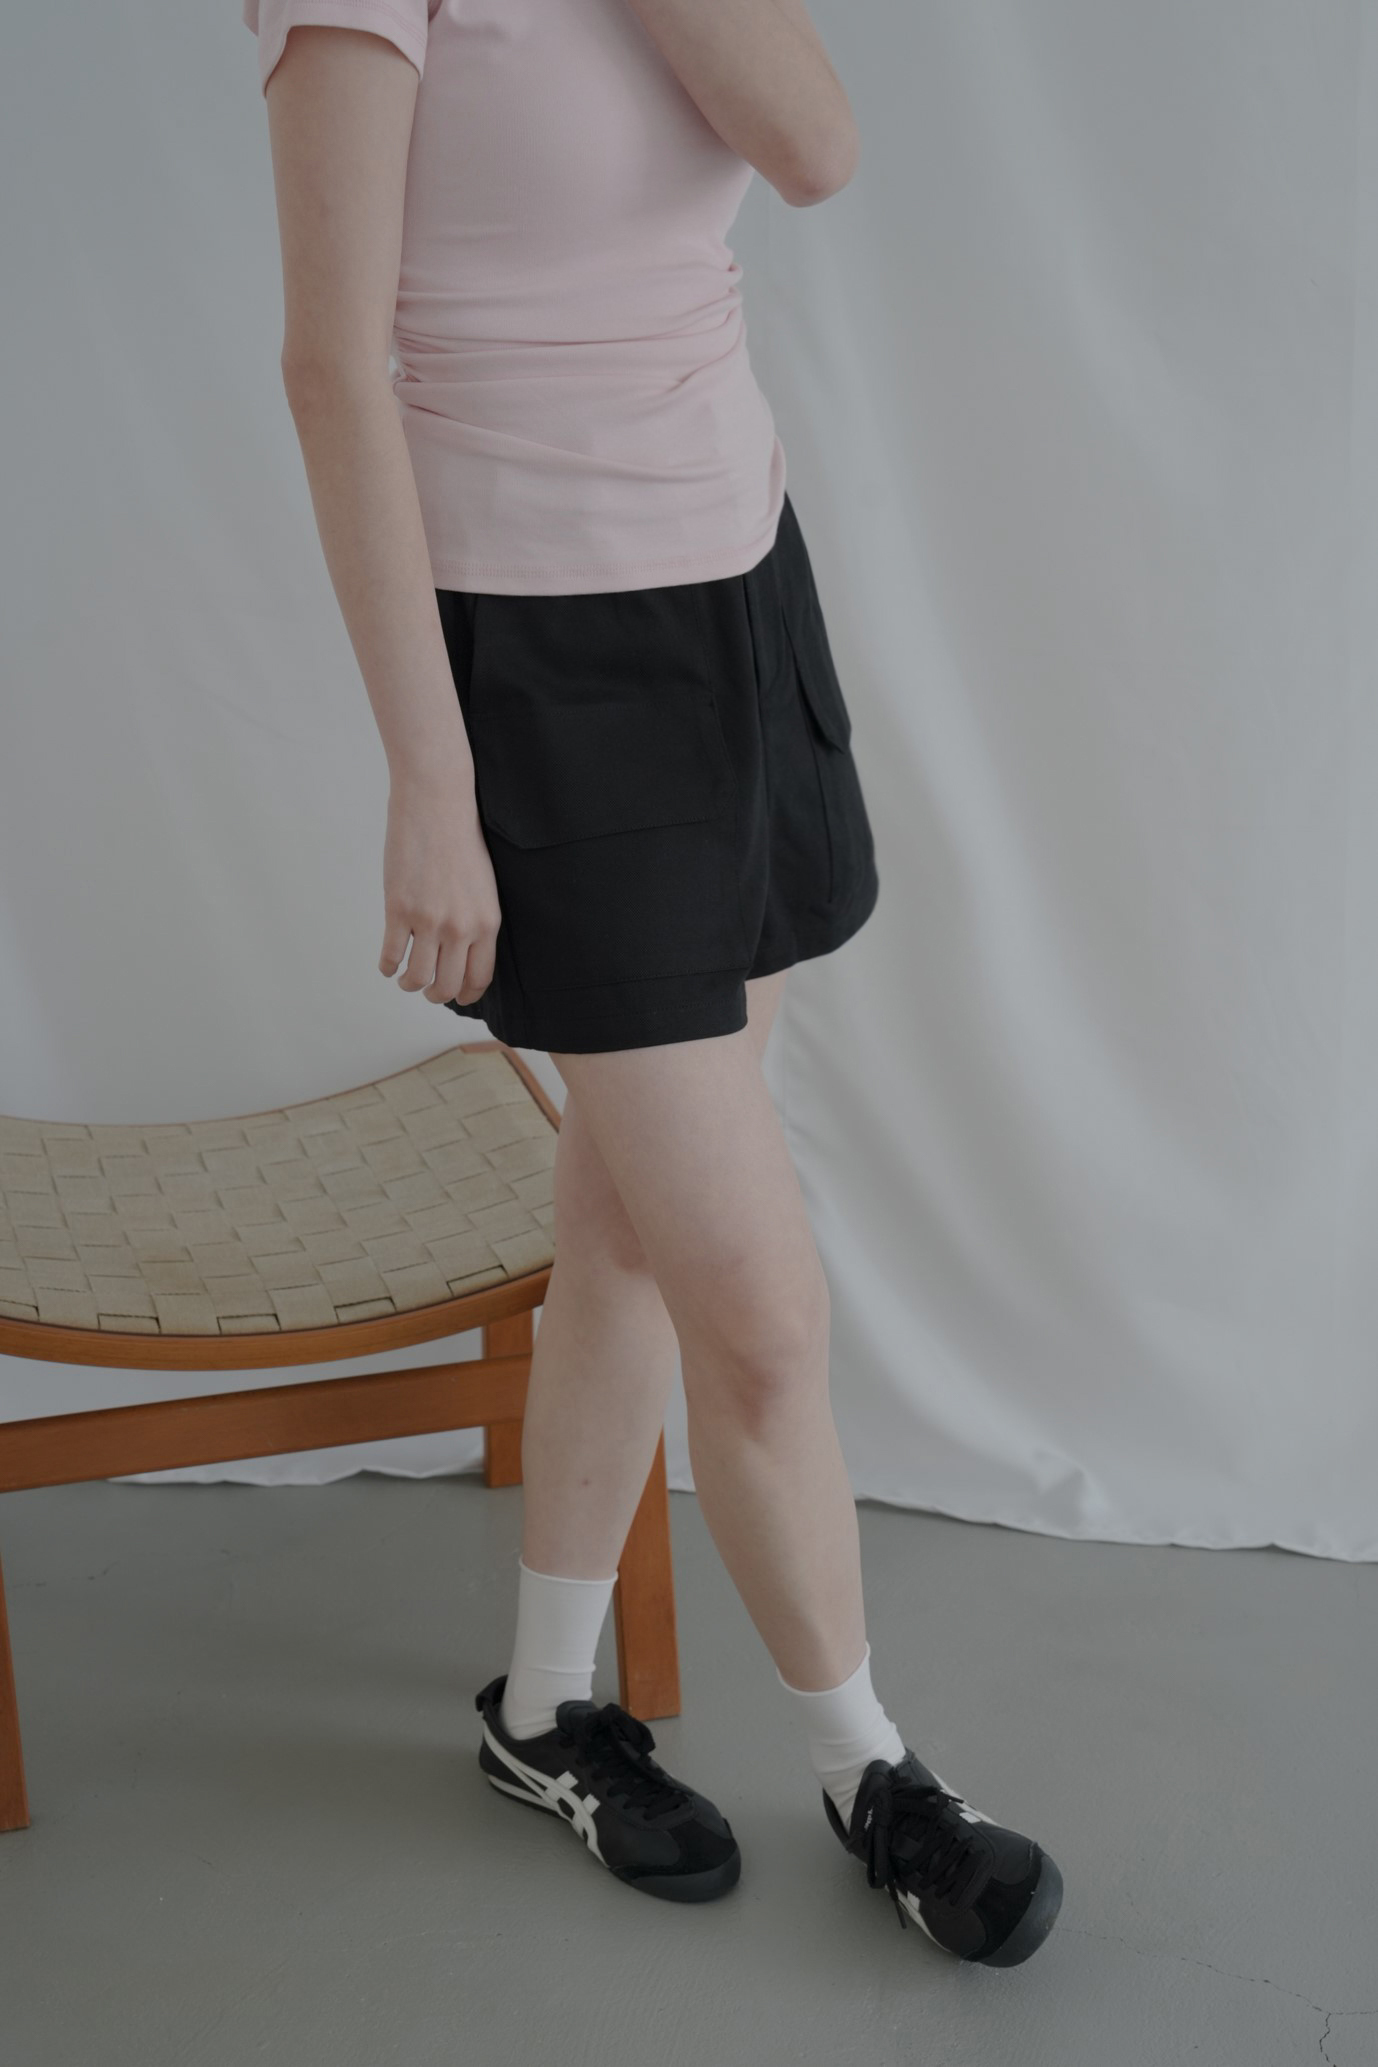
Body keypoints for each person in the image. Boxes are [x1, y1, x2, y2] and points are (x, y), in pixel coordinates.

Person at [244, 0, 1063, 1965]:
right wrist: (430, 779)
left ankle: (542, 1708)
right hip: (543, 666)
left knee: (622, 1216)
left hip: (737, 598)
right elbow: (329, 366)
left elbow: (815, 147)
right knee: (758, 1315)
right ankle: (871, 1767)